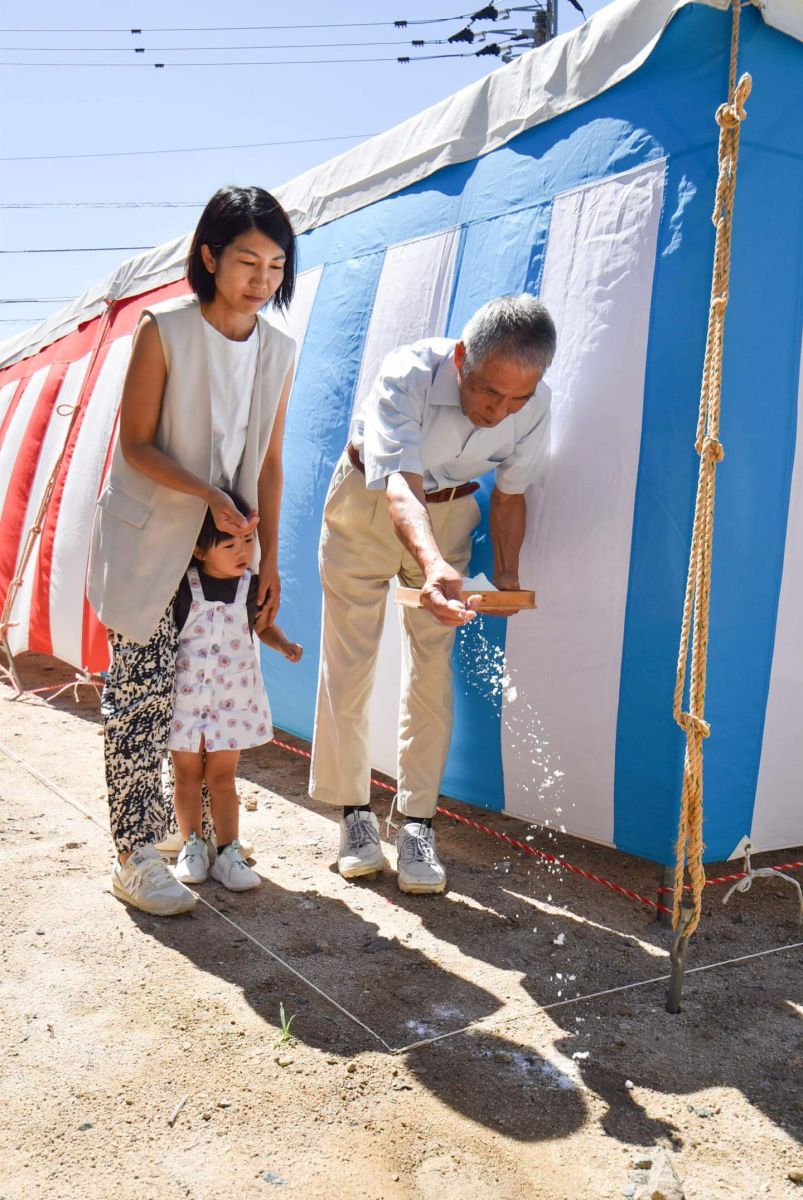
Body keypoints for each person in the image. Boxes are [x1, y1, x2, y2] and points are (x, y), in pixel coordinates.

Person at [87, 185, 297, 916]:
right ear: (209, 256)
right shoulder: (164, 328)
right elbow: (137, 443)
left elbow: (269, 460)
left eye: (275, 264)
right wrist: (207, 493)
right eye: (246, 260)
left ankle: (207, 840)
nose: (261, 279)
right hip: (153, 540)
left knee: (210, 691)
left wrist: (269, 557)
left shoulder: (279, 349)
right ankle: (135, 853)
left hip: (227, 548)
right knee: (142, 699)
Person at [310, 294, 556, 896]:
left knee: (432, 672)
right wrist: (434, 566)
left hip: (450, 514)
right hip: (370, 506)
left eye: (516, 399)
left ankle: (416, 822)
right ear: (462, 358)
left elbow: (509, 493)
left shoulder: (535, 404)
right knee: (351, 665)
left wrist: (506, 579)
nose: (500, 411)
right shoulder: (409, 373)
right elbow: (399, 486)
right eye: (487, 393)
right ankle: (354, 816)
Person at [169, 491, 302, 892]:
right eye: (229, 544)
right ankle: (192, 846)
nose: (242, 551)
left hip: (233, 701)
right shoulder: (184, 588)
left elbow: (261, 627)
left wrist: (283, 645)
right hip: (189, 700)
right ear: (198, 548)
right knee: (187, 776)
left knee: (223, 778)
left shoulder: (252, 587)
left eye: (248, 541)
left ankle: (229, 851)